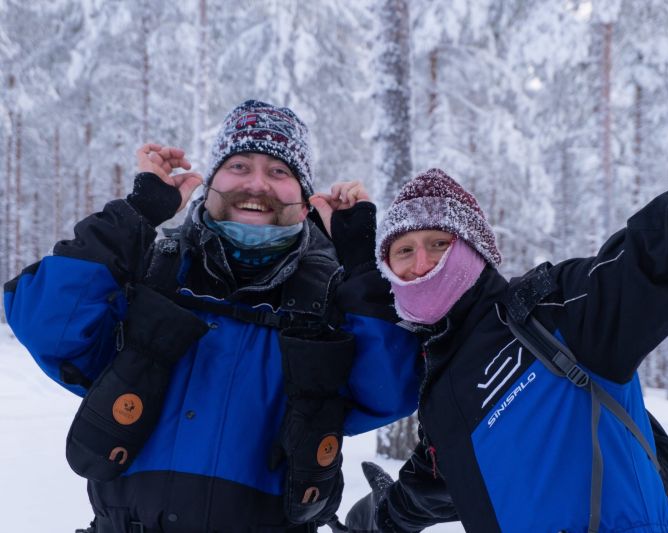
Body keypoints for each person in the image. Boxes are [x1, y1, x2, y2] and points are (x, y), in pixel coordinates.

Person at [335, 27, 668, 532]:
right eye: (404, 251)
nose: (422, 262)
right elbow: (430, 486)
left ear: (476, 250)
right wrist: (378, 519)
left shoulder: (553, 310)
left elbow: (665, 243)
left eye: (441, 244)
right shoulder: (440, 394)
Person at [2, 100, 419, 532]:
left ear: (304, 197)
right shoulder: (151, 272)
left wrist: (361, 267)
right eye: (239, 165)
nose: (257, 184)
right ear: (211, 181)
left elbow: (390, 391)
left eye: (280, 172)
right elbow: (47, 324)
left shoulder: (330, 301)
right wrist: (135, 214)